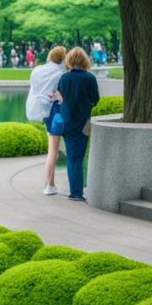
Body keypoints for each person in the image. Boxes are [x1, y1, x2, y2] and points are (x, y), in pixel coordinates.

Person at [57, 47, 101, 202]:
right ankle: (76, 193)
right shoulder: (89, 78)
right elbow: (96, 99)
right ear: (84, 60)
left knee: (71, 157)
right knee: (78, 157)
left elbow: (61, 96)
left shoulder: (64, 78)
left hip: (67, 122)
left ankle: (74, 190)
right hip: (83, 123)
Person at [27, 46, 68, 196]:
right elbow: (60, 96)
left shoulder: (37, 70)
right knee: (53, 151)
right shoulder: (60, 74)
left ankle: (50, 183)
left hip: (43, 112)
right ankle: (48, 185)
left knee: (53, 149)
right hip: (55, 112)